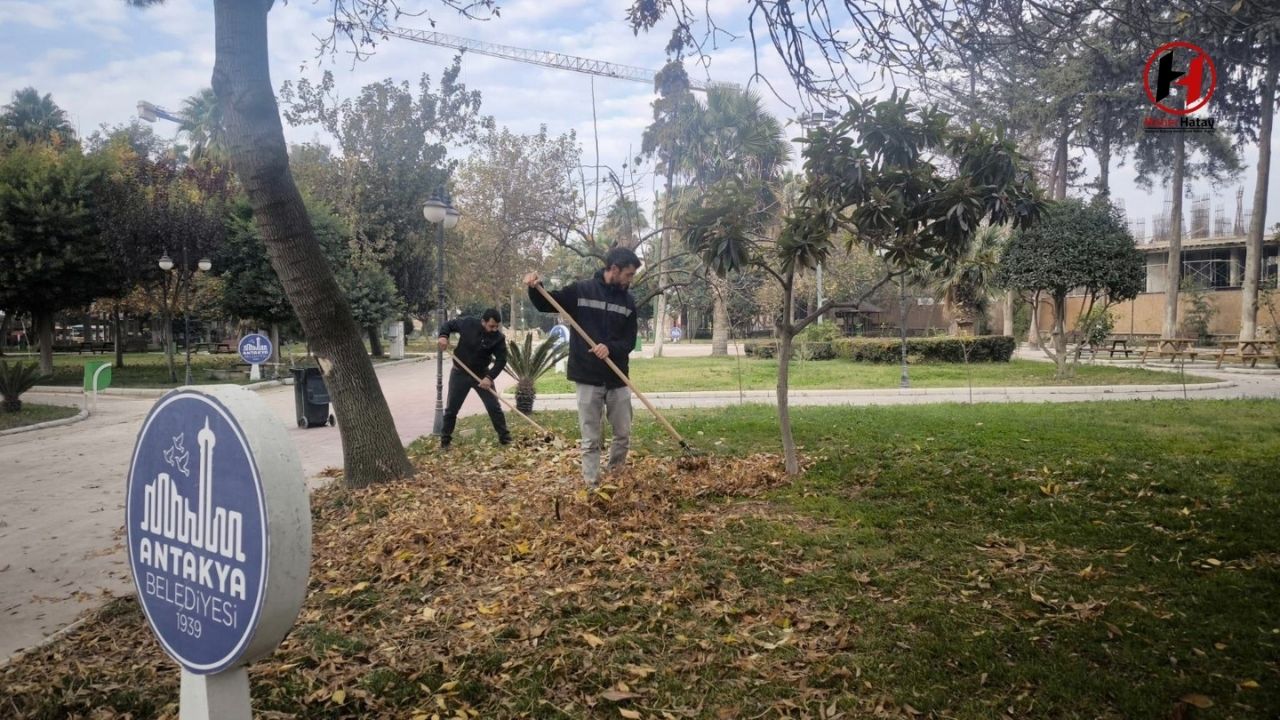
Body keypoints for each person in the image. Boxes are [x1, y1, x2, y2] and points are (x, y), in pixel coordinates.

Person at [525, 248, 640, 488]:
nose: (631, 280)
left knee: (622, 434)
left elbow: (629, 341)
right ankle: (592, 485)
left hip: (617, 377)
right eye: (628, 274)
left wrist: (610, 348)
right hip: (588, 377)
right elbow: (547, 303)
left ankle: (615, 476)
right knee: (591, 438)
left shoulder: (628, 301)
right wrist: (535, 287)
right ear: (614, 269)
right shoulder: (582, 290)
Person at [436, 308, 511, 449]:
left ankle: (505, 438)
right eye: (491, 326)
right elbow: (448, 325)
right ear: (483, 322)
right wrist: (443, 336)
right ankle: (445, 442)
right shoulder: (468, 323)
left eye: (497, 326)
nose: (494, 329)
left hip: (481, 375)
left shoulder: (498, 338)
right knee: (451, 409)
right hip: (460, 373)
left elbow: (501, 360)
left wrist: (489, 378)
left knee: (494, 407)